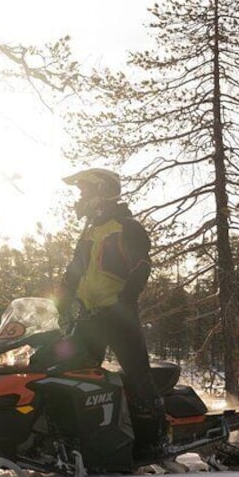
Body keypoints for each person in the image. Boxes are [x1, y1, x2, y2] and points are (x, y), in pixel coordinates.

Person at [56, 168, 168, 458]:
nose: (80, 198)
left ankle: (155, 443)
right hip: (88, 318)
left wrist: (125, 300)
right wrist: (60, 304)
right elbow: (73, 274)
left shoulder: (126, 226)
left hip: (118, 315)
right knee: (73, 374)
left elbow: (141, 266)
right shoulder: (89, 233)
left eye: (85, 192)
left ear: (103, 191)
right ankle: (82, 437)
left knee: (137, 375)